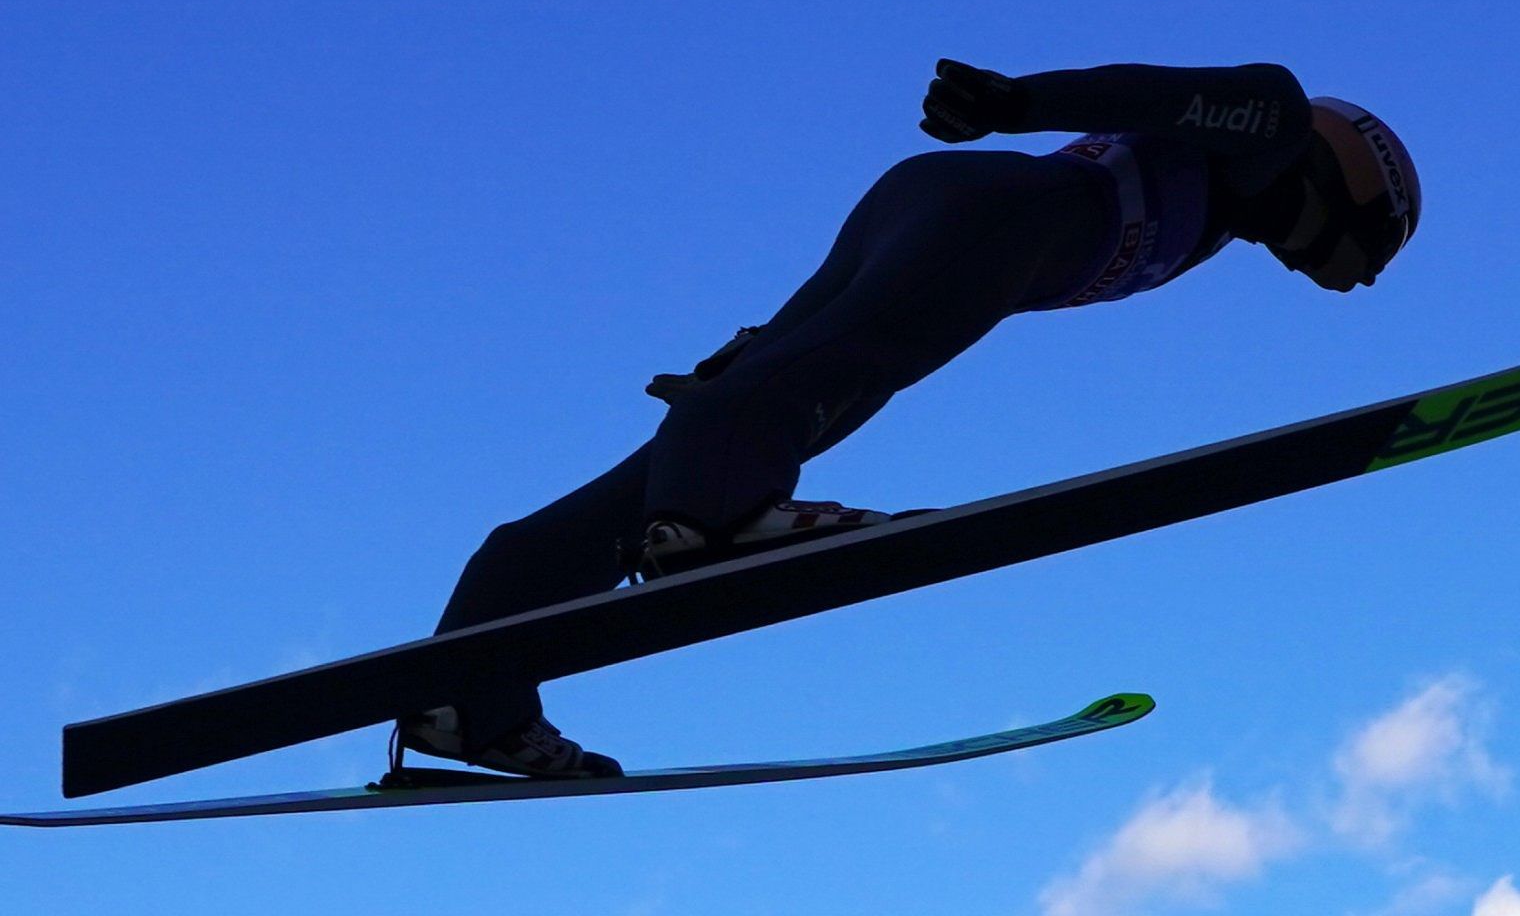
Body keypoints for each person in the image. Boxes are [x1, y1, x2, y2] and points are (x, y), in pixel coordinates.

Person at [402, 60, 1420, 776]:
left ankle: (470, 689)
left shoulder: (1219, 216)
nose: (1323, 269)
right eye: (1356, 245)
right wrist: (1017, 102)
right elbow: (1154, 91)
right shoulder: (1276, 121)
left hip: (947, 211)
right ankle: (718, 521)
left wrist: (762, 350)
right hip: (997, 211)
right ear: (1352, 174)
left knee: (740, 427)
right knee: (848, 373)